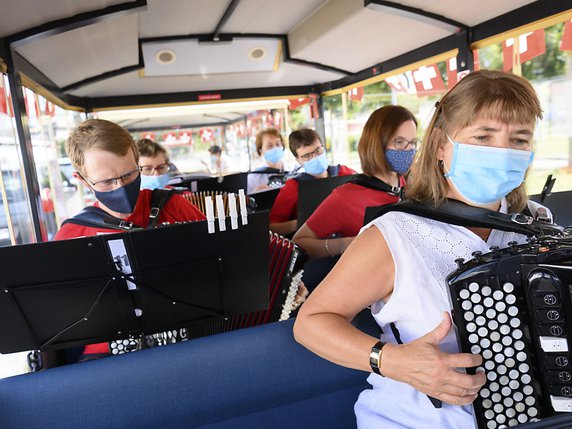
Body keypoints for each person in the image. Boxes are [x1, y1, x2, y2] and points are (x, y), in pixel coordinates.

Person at [293, 70, 546, 428]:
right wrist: (394, 361)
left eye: (519, 139)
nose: (502, 151)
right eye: (483, 136)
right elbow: (311, 324)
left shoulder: (537, 222)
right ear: (442, 146)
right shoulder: (394, 233)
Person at [54, 119, 206, 359]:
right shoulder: (71, 236)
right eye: (106, 181)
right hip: (107, 357)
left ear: (137, 163)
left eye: (128, 174)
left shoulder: (174, 207)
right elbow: (60, 318)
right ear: (82, 179)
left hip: (191, 341)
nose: (120, 187)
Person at [293, 105, 416, 259]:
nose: (409, 149)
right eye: (399, 141)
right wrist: (348, 244)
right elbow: (299, 242)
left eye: (412, 142)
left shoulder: (414, 185)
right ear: (377, 142)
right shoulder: (345, 197)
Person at [269, 128, 356, 237]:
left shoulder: (345, 172)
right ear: (298, 160)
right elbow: (272, 227)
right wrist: (303, 223)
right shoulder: (294, 186)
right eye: (307, 156)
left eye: (318, 151)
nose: (315, 157)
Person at [247, 128, 290, 194]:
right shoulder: (253, 178)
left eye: (278, 144)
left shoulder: (294, 170)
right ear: (260, 151)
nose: (275, 148)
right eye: (269, 146)